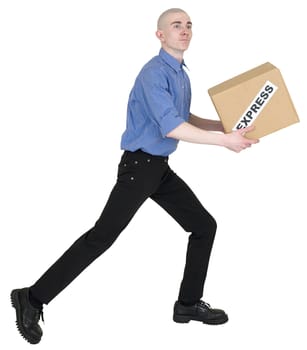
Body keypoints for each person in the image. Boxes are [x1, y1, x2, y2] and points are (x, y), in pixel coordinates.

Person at [11, 8, 258, 344]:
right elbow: (171, 127)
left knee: (203, 225)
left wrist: (224, 126)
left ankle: (187, 304)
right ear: (160, 34)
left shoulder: (180, 73)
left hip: (158, 170)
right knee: (101, 237)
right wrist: (224, 141)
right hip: (139, 168)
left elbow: (182, 115)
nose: (184, 30)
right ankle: (33, 297)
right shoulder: (154, 73)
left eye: (188, 25)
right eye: (176, 25)